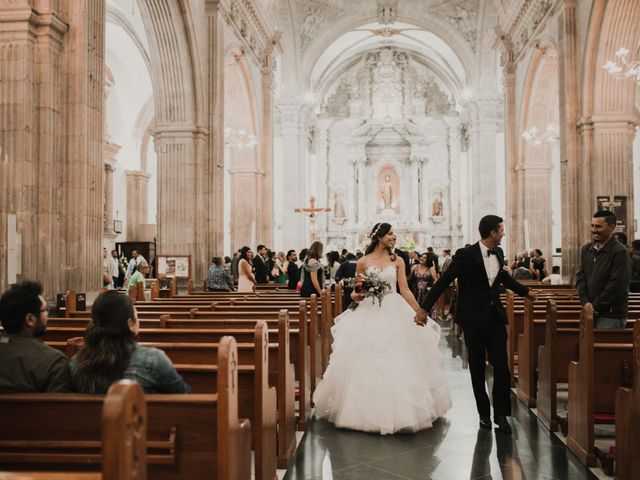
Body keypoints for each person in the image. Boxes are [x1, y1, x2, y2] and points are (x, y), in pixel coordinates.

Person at [313, 223, 451, 434]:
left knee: (398, 358)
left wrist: (418, 310)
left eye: (394, 233)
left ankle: (402, 411)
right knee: (366, 359)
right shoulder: (363, 262)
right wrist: (356, 295)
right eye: (390, 234)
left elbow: (404, 289)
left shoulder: (398, 261)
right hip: (369, 310)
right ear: (379, 237)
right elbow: (358, 291)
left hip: (394, 308)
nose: (394, 237)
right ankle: (362, 410)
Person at [416, 215, 536, 434]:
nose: (503, 234)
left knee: (501, 366)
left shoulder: (498, 253)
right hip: (473, 319)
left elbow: (503, 279)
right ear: (492, 233)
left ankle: (501, 415)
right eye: (501, 230)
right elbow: (444, 281)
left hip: (495, 317)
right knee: (477, 367)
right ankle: (483, 413)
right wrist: (424, 308)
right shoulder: (465, 255)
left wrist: (526, 292)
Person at [70, 291, 190, 394]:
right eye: (136, 317)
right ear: (130, 324)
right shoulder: (153, 360)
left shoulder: (76, 362)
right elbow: (183, 396)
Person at [0, 281, 72, 392]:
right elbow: (58, 408)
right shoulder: (53, 362)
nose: (47, 314)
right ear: (30, 319)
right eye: (44, 311)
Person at [576, 210, 631, 329]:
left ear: (612, 227)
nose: (594, 230)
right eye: (592, 226)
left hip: (611, 315)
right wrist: (586, 303)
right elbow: (580, 278)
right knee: (586, 346)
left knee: (605, 348)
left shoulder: (620, 251)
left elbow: (617, 284)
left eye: (598, 226)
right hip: (589, 311)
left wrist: (594, 306)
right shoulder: (587, 249)